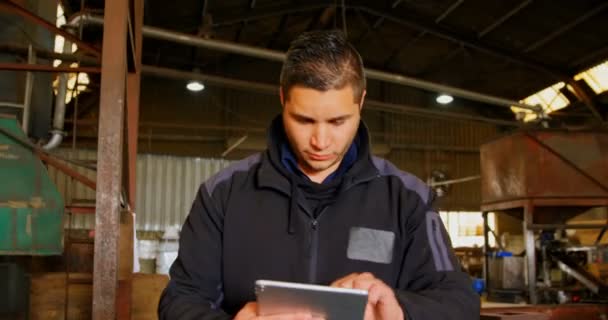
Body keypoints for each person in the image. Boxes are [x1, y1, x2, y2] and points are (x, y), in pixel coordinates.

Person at [158, 30, 479, 320]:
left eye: (338, 121)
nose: (320, 142)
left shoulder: (409, 199)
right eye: (304, 120)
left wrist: (399, 309)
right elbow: (179, 301)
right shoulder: (223, 194)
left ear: (361, 101)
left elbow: (460, 302)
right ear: (282, 98)